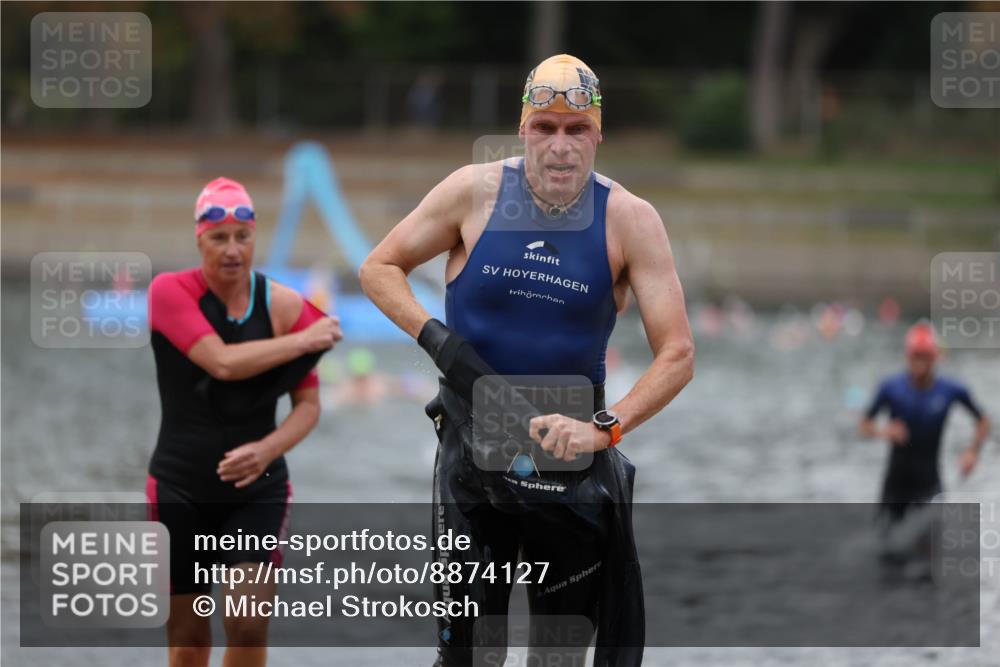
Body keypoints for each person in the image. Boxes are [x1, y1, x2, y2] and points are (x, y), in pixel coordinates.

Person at [361, 54, 694, 666]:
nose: (560, 147)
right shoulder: (473, 193)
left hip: (568, 467)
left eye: (576, 131)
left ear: (597, 134)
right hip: (472, 462)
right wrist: (440, 343)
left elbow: (677, 354)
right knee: (472, 659)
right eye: (545, 127)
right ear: (523, 129)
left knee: (557, 661)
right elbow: (379, 268)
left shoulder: (630, 220)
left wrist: (604, 430)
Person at [145, 177, 342, 667]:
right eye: (219, 239)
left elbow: (308, 406)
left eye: (243, 237)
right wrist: (302, 340)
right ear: (199, 240)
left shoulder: (284, 305)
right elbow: (223, 363)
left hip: (258, 488)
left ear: (255, 237)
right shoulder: (170, 292)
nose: (233, 250)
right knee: (188, 642)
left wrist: (268, 449)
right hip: (179, 486)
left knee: (248, 624)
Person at [860, 322, 990, 528]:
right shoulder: (890, 388)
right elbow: (863, 426)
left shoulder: (951, 390)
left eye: (925, 356)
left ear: (936, 357)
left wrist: (972, 452)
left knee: (932, 547)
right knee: (884, 547)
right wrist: (884, 432)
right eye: (915, 356)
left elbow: (983, 421)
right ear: (907, 356)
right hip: (896, 483)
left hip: (930, 481)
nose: (920, 362)